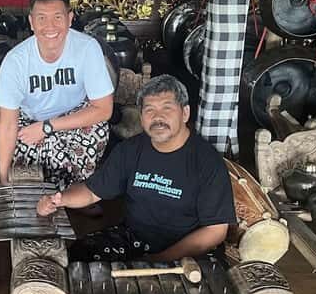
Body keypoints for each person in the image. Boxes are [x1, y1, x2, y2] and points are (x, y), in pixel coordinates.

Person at [36, 74, 235, 263]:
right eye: (149, 110)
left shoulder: (207, 161)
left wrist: (160, 260)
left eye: (167, 108)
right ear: (141, 117)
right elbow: (91, 192)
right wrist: (59, 200)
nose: (158, 117)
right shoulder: (130, 150)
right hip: (134, 238)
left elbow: (215, 231)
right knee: (80, 255)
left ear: (185, 113)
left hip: (187, 248)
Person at [0, 0, 114, 188]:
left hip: (70, 117)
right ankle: (56, 192)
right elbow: (7, 125)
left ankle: (79, 191)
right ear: (31, 22)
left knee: (98, 129)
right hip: (30, 121)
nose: (50, 26)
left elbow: (104, 109)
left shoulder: (87, 48)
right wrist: (3, 179)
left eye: (57, 17)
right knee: (29, 169)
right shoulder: (16, 60)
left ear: (70, 18)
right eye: (41, 18)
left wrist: (48, 127)